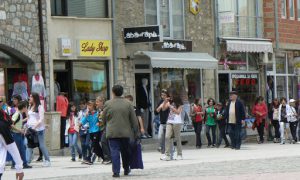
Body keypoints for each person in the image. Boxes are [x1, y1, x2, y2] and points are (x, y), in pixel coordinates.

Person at [102, 85, 139, 177]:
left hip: (112, 132)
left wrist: (104, 126)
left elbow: (103, 118)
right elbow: (134, 119)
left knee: (114, 151)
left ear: (113, 92)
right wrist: (136, 131)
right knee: (125, 151)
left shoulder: (108, 103)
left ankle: (116, 171)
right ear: (122, 92)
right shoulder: (128, 103)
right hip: (125, 132)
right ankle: (126, 169)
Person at [0, 98, 24, 180]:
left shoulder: (4, 115)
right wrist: (19, 169)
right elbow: (13, 149)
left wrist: (19, 169)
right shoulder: (4, 116)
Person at [26, 92, 51, 167]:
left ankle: (47, 160)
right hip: (30, 129)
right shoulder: (30, 106)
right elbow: (29, 118)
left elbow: (41, 119)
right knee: (29, 145)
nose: (29, 98)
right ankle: (27, 161)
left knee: (41, 145)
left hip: (39, 130)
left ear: (34, 98)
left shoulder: (40, 107)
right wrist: (27, 126)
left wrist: (35, 127)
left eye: (31, 97)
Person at [160, 95, 184, 161]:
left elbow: (178, 112)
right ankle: (167, 155)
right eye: (170, 97)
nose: (170, 98)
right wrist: (165, 102)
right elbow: (163, 109)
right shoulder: (169, 102)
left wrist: (171, 107)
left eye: (171, 96)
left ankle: (179, 154)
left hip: (177, 122)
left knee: (177, 138)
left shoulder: (180, 103)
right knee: (167, 137)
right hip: (169, 121)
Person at [11, 101, 32, 169]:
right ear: (23, 107)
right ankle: (16, 164)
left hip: (18, 134)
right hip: (16, 134)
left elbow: (22, 120)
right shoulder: (17, 114)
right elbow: (11, 124)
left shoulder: (19, 114)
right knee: (18, 150)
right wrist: (20, 130)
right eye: (26, 107)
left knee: (22, 149)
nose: (27, 108)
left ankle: (23, 164)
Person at [96, 96, 111, 164]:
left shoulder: (105, 109)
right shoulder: (99, 110)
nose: (96, 103)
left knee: (103, 141)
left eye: (98, 102)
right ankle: (108, 158)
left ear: (102, 102)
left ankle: (108, 158)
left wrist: (101, 123)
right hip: (102, 128)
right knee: (106, 142)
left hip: (107, 127)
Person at [155, 89, 170, 153]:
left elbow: (166, 109)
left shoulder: (169, 102)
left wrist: (163, 105)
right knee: (160, 136)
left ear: (167, 96)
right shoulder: (160, 102)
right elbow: (156, 112)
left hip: (168, 122)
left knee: (167, 138)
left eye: (164, 95)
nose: (163, 96)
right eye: (162, 95)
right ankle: (161, 147)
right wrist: (160, 106)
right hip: (162, 122)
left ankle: (167, 150)